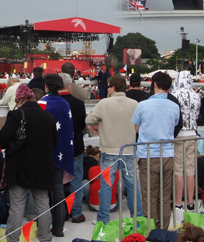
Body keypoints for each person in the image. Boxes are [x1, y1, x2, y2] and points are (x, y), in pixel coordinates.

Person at [0, 84, 58, 242]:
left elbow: (2, 140)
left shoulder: (16, 115)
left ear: (19, 99)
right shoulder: (48, 117)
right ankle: (45, 237)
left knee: (17, 205)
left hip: (19, 167)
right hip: (42, 167)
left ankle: (13, 239)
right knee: (43, 204)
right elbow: (55, 143)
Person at [86, 74, 142, 223]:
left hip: (109, 150)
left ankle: (103, 218)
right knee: (132, 185)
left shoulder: (104, 103)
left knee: (106, 186)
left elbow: (89, 120)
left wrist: (97, 125)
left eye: (108, 87)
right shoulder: (134, 104)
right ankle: (137, 218)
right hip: (129, 150)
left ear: (113, 88)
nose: (107, 89)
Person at [131, 72, 180, 229]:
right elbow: (176, 125)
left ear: (154, 85)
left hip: (148, 155)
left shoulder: (143, 105)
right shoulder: (174, 106)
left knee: (149, 196)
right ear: (169, 87)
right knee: (165, 197)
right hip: (168, 155)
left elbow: (136, 127)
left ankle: (152, 231)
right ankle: (164, 230)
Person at [40, 74, 74, 237]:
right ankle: (59, 227)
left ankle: (42, 225)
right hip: (60, 151)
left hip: (44, 152)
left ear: (46, 87)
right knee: (58, 190)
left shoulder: (42, 103)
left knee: (40, 191)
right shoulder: (65, 104)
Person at [170, 71, 201, 224]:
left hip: (179, 135)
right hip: (192, 134)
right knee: (190, 169)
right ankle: (190, 201)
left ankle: (178, 202)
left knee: (178, 169)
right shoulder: (196, 95)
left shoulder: (174, 94)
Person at [58, 73, 86, 223]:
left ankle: (59, 214)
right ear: (70, 86)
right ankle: (76, 213)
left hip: (57, 149)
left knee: (57, 183)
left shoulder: (50, 103)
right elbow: (82, 126)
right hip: (75, 147)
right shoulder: (79, 104)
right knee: (76, 180)